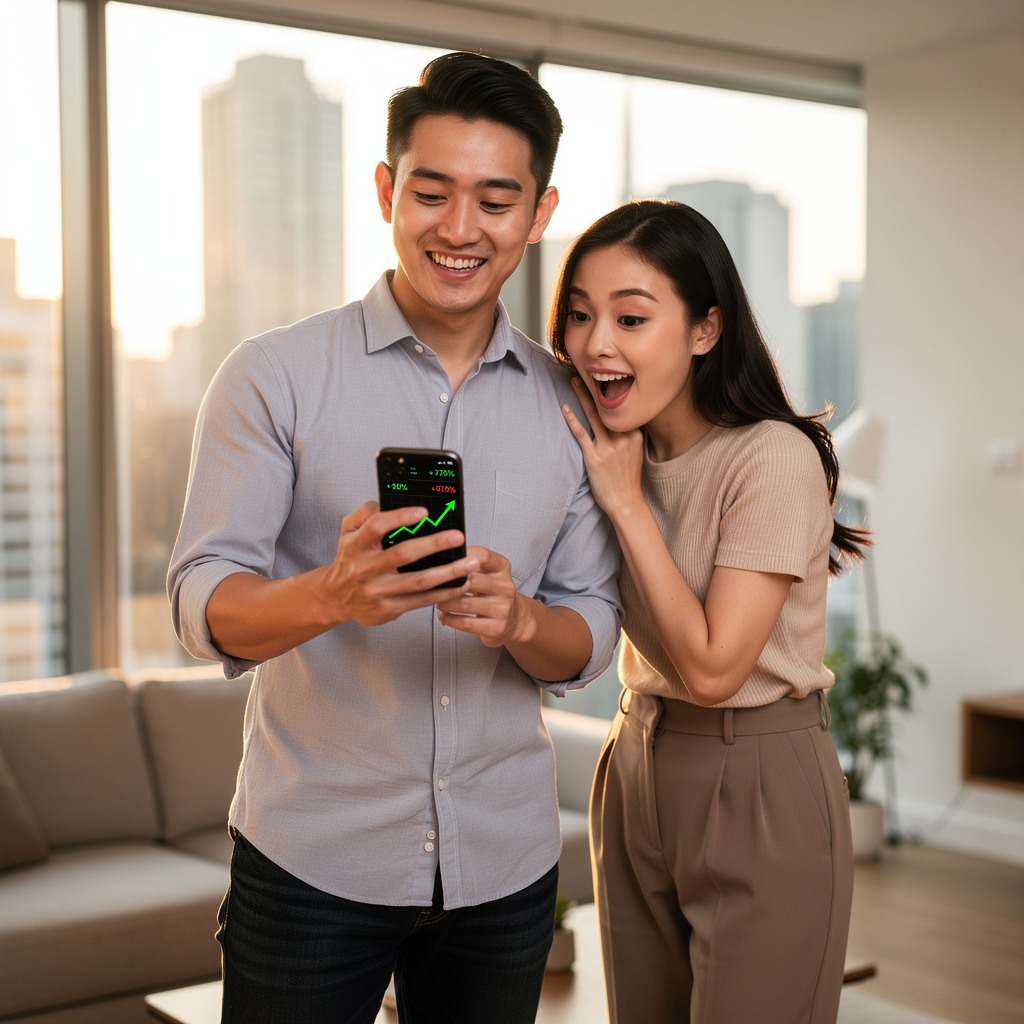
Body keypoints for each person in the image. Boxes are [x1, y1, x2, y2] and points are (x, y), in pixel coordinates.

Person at [167, 51, 621, 1024]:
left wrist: (520, 620)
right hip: (311, 863)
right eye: (432, 192)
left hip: (504, 865)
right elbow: (201, 603)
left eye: (495, 200)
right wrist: (331, 594)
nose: (460, 228)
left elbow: (590, 631)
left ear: (539, 212)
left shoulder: (571, 403)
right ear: (386, 191)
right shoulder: (273, 376)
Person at [550, 198, 869, 1024]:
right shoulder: (602, 446)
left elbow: (715, 669)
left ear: (705, 329)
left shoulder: (773, 458)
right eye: (580, 315)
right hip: (633, 763)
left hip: (758, 776)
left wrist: (626, 505)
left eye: (631, 317)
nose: (597, 343)